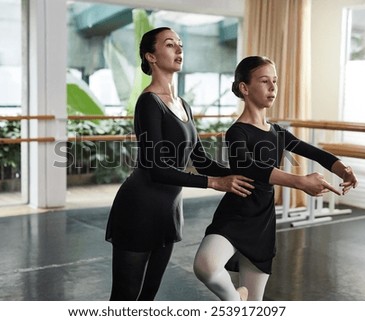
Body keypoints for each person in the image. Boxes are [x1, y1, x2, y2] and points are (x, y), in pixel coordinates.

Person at [105, 27, 255, 301]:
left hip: (167, 212)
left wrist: (238, 175)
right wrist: (215, 183)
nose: (179, 50)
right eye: (170, 45)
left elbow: (199, 159)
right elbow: (156, 167)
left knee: (148, 294)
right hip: (138, 210)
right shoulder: (148, 103)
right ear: (151, 56)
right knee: (125, 299)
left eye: (180, 45)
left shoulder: (182, 104)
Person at [193, 56, 358, 301]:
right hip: (234, 215)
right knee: (205, 265)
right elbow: (249, 166)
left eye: (275, 81)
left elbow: (313, 152)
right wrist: (300, 181)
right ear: (244, 88)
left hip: (262, 221)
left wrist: (342, 168)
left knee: (256, 304)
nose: (272, 88)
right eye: (264, 81)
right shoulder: (236, 132)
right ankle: (235, 299)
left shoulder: (278, 132)